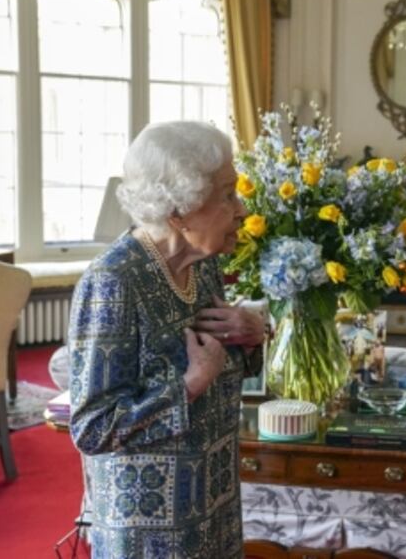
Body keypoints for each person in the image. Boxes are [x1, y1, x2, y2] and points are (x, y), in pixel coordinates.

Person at [68, 121, 266, 559]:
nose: (240, 208)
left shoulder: (204, 264)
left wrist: (251, 338)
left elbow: (224, 361)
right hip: (148, 533)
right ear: (180, 210)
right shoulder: (114, 281)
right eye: (227, 195)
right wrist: (189, 384)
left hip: (214, 510)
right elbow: (91, 428)